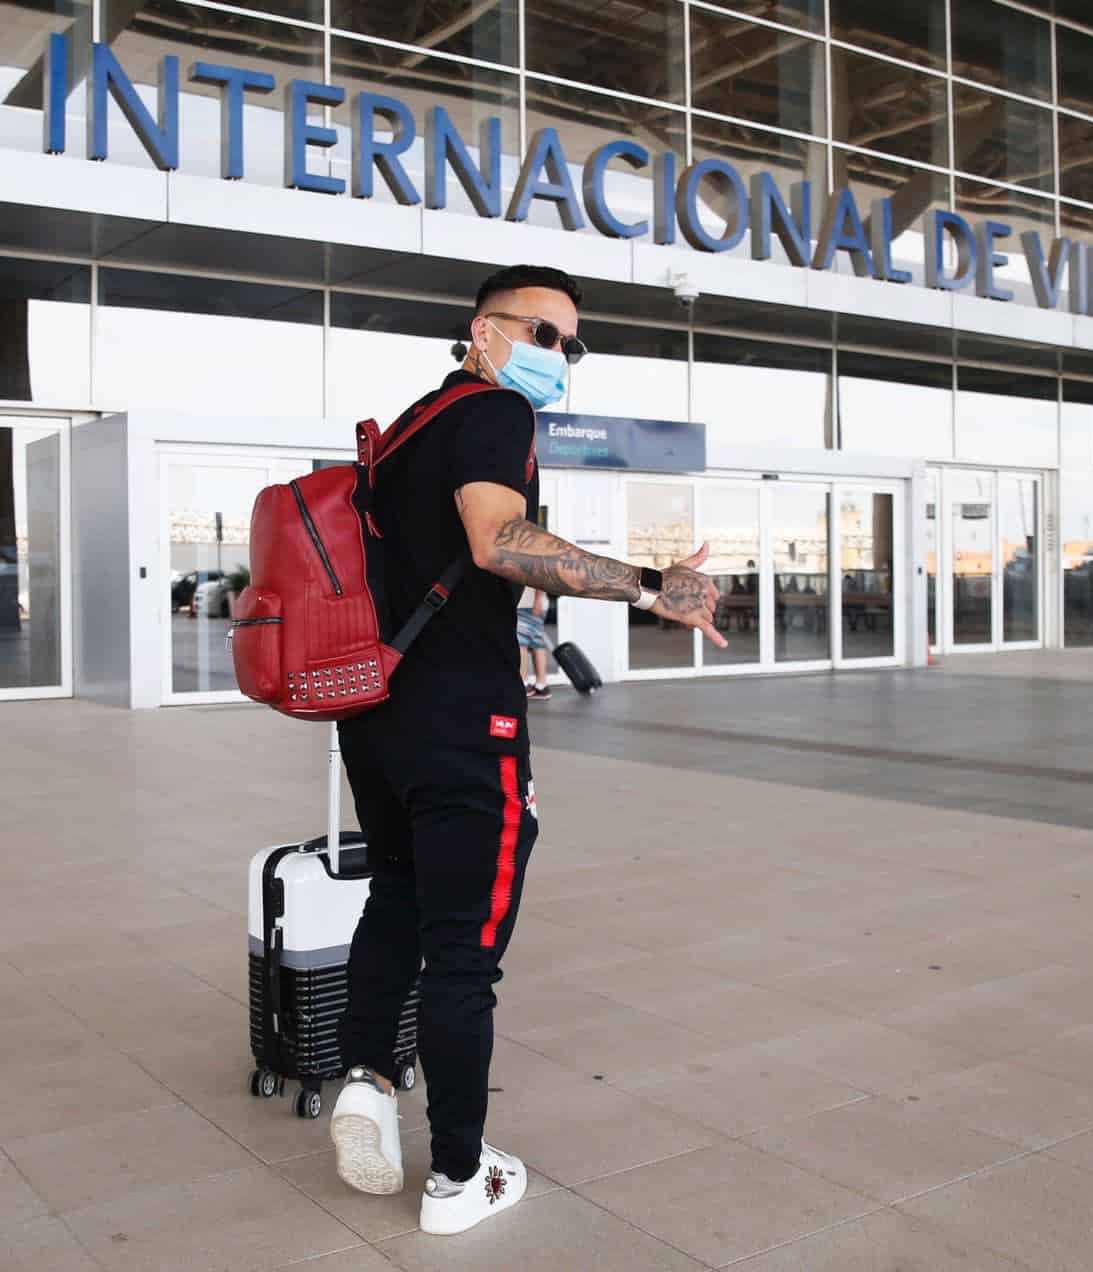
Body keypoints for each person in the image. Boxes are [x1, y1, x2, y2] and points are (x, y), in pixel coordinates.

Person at [327, 264, 725, 1236]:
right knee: (465, 957)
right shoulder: (495, 411)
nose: (559, 356)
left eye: (571, 344)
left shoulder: (409, 427)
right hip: (466, 726)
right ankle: (461, 1178)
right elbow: (500, 538)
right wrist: (650, 585)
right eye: (542, 334)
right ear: (485, 331)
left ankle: (369, 1081)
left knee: (396, 891)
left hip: (377, 711)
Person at [515, 585, 550, 699]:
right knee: (537, 642)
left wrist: (538, 599)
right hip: (533, 604)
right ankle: (542, 686)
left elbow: (540, 578)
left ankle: (524, 684)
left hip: (527, 605)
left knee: (520, 642)